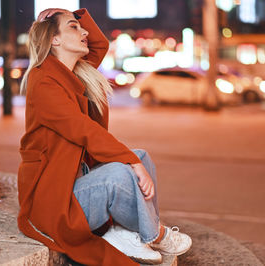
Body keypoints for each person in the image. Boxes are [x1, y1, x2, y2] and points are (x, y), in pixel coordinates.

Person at [17, 7, 191, 265]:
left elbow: (99, 43)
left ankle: (130, 234)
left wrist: (72, 14)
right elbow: (83, 129)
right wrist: (130, 161)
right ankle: (155, 234)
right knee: (122, 171)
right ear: (55, 39)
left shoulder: (75, 72)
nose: (84, 31)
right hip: (53, 202)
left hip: (76, 182)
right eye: (74, 28)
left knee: (142, 156)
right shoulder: (43, 81)